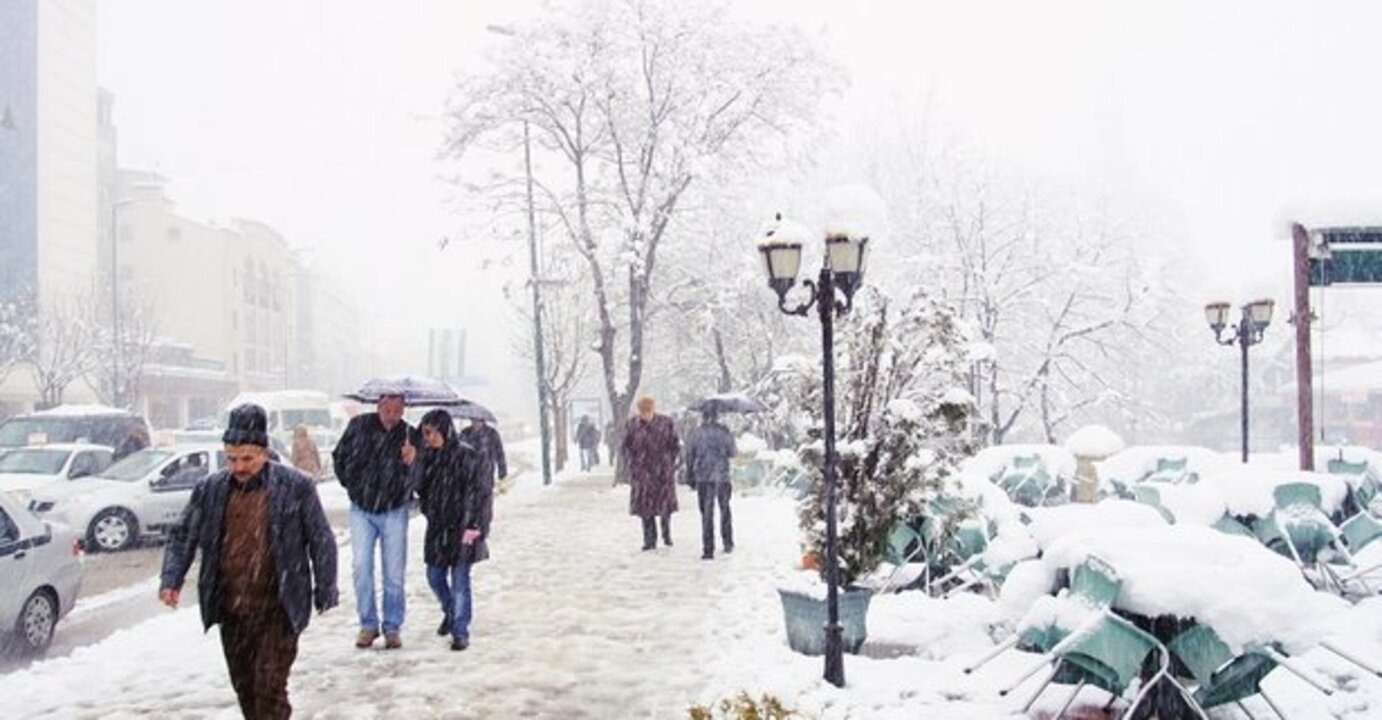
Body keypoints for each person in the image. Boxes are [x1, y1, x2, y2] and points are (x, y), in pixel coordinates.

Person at [159, 403, 338, 719]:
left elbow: (321, 539)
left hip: (279, 607)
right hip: (232, 610)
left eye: (247, 459)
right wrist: (171, 579)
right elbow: (182, 534)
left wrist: (326, 587)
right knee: (245, 688)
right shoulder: (211, 489)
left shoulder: (295, 487)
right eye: (232, 459)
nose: (239, 466)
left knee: (269, 689)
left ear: (265, 453)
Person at [332, 393, 419, 650]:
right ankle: (368, 624)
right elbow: (340, 457)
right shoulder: (358, 426)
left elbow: (421, 476)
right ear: (378, 406)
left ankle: (392, 626)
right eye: (388, 409)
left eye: (397, 410)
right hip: (362, 508)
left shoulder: (409, 435)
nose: (392, 415)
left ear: (403, 410)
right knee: (361, 567)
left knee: (393, 572)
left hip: (394, 509)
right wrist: (353, 485)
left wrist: (413, 461)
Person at [416, 409, 493, 652]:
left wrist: (478, 525)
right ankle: (450, 611)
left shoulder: (468, 457)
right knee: (434, 577)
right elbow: (418, 488)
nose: (426, 437)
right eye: (424, 433)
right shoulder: (427, 458)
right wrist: (414, 461)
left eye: (430, 432)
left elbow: (482, 494)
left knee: (460, 581)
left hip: (464, 528)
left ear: (443, 429)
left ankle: (460, 630)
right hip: (438, 530)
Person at [621, 395, 681, 551]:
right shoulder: (632, 425)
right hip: (642, 473)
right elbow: (626, 447)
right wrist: (632, 464)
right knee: (645, 508)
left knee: (664, 506)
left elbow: (675, 445)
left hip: (662, 472)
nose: (646, 415)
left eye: (648, 411)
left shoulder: (666, 423)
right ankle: (649, 540)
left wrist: (670, 462)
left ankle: (666, 533)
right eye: (643, 411)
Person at [685, 412, 738, 560]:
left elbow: (689, 455)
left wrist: (690, 476)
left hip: (703, 477)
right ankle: (727, 542)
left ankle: (708, 549)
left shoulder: (696, 433)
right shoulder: (725, 432)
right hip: (722, 476)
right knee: (725, 509)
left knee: (706, 514)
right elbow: (733, 452)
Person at [460, 417, 507, 488]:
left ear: (483, 421)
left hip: (486, 473)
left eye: (478, 420)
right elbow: (459, 452)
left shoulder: (492, 433)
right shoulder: (465, 432)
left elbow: (499, 452)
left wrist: (502, 471)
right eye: (473, 420)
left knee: (485, 496)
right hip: (468, 473)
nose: (475, 423)